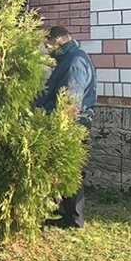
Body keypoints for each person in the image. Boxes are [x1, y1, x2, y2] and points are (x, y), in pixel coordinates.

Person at [35, 26, 96, 229]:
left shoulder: (74, 62)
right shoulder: (70, 59)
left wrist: (59, 126)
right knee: (63, 168)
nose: (46, 50)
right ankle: (65, 211)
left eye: (47, 45)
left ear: (57, 42)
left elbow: (69, 101)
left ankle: (73, 218)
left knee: (69, 168)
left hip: (70, 125)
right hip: (67, 123)